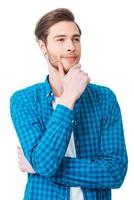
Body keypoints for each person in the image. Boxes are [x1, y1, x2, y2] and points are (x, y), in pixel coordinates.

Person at [10, 8, 128, 200]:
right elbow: (46, 162)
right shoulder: (23, 100)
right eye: (60, 39)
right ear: (43, 46)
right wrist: (67, 99)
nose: (71, 46)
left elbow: (114, 173)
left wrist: (37, 166)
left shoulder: (104, 98)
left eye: (76, 39)